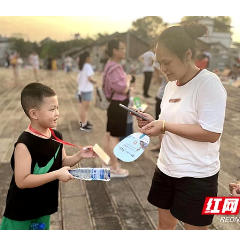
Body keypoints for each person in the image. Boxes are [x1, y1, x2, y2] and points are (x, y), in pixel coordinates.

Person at [134, 22, 227, 230]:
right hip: (166, 168)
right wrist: (154, 124)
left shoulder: (208, 84)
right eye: (159, 63)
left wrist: (164, 125)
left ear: (187, 54)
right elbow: (167, 129)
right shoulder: (169, 86)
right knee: (164, 225)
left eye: (167, 62)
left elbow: (211, 133)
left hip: (197, 175)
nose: (163, 69)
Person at [0, 82, 98, 230]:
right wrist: (56, 175)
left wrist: (79, 155)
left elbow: (63, 161)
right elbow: (22, 181)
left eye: (57, 107)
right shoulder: (24, 144)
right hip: (21, 211)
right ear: (34, 114)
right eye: (52, 109)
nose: (57, 113)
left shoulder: (56, 136)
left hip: (43, 207)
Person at [101, 39, 132, 178]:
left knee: (109, 134)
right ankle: (114, 167)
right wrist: (128, 81)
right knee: (115, 137)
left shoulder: (109, 65)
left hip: (113, 104)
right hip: (118, 105)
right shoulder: (116, 67)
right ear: (115, 50)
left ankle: (107, 163)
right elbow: (123, 88)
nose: (124, 51)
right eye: (122, 48)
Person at [150, 63, 168, 153]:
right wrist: (156, 72)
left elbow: (171, 81)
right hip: (160, 96)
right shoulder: (164, 69)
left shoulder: (173, 71)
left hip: (167, 99)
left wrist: (160, 70)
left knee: (165, 124)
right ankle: (161, 145)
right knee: (159, 121)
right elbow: (160, 82)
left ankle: (164, 150)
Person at [77, 51, 97, 132]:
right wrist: (94, 81)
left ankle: (84, 122)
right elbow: (90, 78)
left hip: (82, 90)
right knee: (84, 108)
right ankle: (83, 124)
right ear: (87, 58)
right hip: (86, 90)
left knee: (83, 108)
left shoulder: (82, 66)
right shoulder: (88, 66)